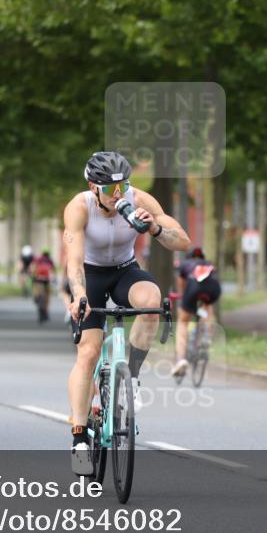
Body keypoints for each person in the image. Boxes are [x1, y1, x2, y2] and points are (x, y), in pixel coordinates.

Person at [64, 151, 190, 474]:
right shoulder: (79, 208)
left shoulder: (138, 200)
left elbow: (183, 241)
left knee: (151, 300)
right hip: (89, 275)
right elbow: (74, 261)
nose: (118, 195)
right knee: (89, 351)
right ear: (94, 187)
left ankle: (130, 375)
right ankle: (79, 438)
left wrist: (156, 230)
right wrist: (79, 295)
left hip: (124, 270)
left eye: (123, 186)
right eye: (110, 189)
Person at [172, 247, 221, 377]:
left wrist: (183, 297)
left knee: (182, 322)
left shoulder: (185, 265)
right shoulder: (208, 264)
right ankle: (207, 335)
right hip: (213, 289)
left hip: (193, 289)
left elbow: (181, 284)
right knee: (207, 307)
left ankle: (181, 359)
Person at [31, 249, 56, 323]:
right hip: (46, 280)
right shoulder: (50, 260)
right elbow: (52, 271)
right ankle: (45, 311)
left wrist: (33, 276)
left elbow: (33, 268)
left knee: (38, 292)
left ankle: (36, 298)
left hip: (38, 279)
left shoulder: (38, 259)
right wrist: (54, 279)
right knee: (47, 296)